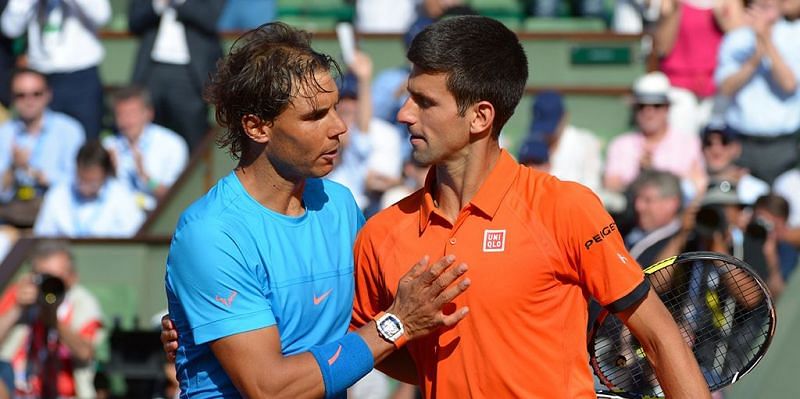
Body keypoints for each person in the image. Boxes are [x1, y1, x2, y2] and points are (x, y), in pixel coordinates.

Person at [349, 15, 709, 398]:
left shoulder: (565, 208)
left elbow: (660, 337)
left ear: (480, 117)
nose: (404, 113)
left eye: (424, 101)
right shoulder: (380, 233)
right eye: (409, 96)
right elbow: (368, 344)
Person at [162, 22, 470, 398]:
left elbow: (374, 329)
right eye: (314, 116)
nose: (339, 127)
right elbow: (270, 389)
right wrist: (396, 324)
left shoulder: (339, 205)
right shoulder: (211, 235)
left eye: (336, 109)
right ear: (257, 127)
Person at [0, 240, 104, 398]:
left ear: (72, 277)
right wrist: (17, 309)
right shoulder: (20, 295)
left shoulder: (82, 302)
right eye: (43, 278)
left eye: (55, 279)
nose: (48, 286)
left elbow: (85, 352)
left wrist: (53, 321)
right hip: (15, 389)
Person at [714, 0, 800, 185]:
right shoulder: (736, 39)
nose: (762, 14)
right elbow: (725, 88)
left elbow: (789, 84)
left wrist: (765, 40)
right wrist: (753, 61)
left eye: (768, 7)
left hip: (783, 145)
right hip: (743, 143)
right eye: (759, 7)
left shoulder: (795, 35)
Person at [1, 0, 110, 140]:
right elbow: (10, 28)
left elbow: (102, 16)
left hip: (81, 76)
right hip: (42, 77)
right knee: (43, 141)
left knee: (87, 141)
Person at [128, 0, 225, 151]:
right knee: (148, 137)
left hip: (189, 73)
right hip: (152, 70)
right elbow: (134, 21)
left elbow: (210, 18)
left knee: (194, 137)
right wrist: (159, 4)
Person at [0, 68, 86, 228]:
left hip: (58, 214)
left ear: (48, 94)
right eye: (21, 95)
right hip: (12, 216)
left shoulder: (69, 130)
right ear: (12, 98)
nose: (29, 100)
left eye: (36, 94)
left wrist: (39, 175)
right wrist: (13, 167)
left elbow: (79, 182)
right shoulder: (4, 133)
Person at [604, 71, 706, 198]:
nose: (649, 113)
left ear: (667, 108)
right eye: (642, 106)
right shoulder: (620, 145)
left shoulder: (689, 143)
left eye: (656, 106)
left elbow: (698, 185)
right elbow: (610, 185)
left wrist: (654, 175)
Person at [328, 53, 403, 216]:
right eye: (344, 99)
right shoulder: (327, 130)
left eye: (354, 99)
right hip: (327, 206)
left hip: (362, 209)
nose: (348, 105)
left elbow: (363, 133)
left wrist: (363, 79)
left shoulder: (376, 132)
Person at [102, 85, 189, 212]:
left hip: (156, 217)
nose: (126, 121)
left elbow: (174, 199)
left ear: (149, 113)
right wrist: (109, 175)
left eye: (132, 113)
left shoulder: (172, 145)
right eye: (121, 115)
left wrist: (146, 178)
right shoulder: (108, 146)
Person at [33, 141, 145, 238]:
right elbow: (42, 234)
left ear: (105, 175)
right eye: (82, 181)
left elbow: (135, 236)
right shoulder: (58, 195)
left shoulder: (121, 196)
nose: (86, 188)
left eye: (93, 183)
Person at [524, 90, 603, 193]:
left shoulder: (585, 143)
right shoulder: (528, 143)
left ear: (565, 117)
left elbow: (592, 190)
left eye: (551, 124)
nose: (548, 133)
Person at [625, 170, 684, 267]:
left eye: (647, 200)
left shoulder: (685, 242)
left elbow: (660, 281)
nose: (638, 206)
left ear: (671, 203)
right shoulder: (625, 228)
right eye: (637, 199)